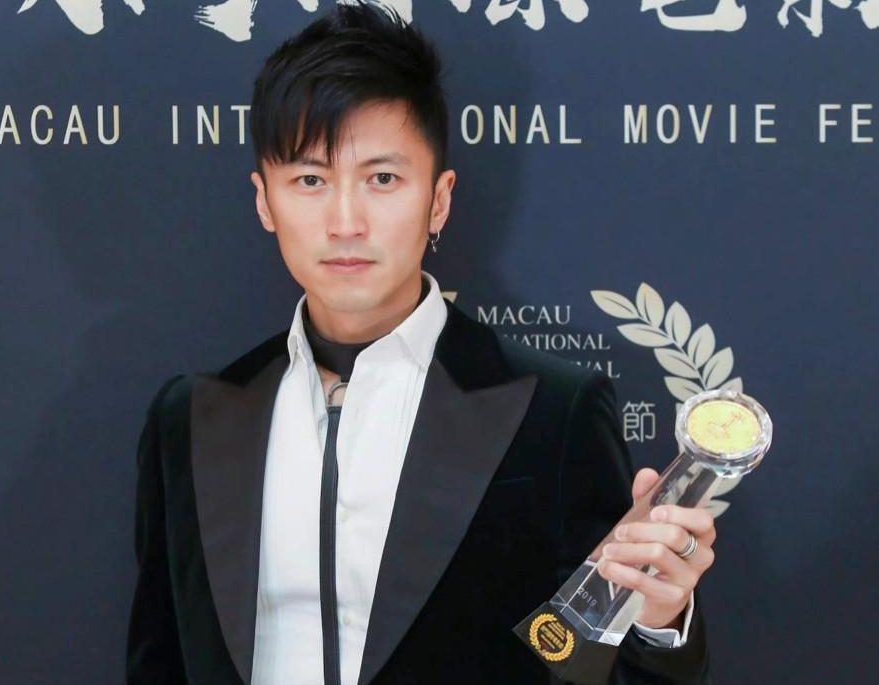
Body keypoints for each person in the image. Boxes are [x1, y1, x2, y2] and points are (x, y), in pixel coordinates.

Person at [126, 2, 715, 684]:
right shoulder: (190, 419)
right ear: (264, 199)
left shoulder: (553, 413)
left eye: (382, 179)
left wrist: (660, 619)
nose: (346, 221)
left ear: (439, 200)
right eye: (310, 180)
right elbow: (157, 663)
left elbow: (595, 668)